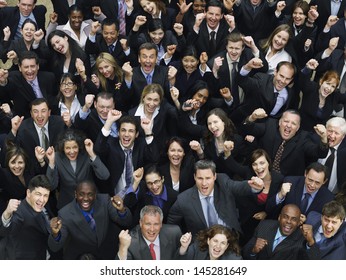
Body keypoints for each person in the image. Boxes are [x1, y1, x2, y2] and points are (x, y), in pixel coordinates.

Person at [167, 159, 265, 238]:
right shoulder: (184, 199)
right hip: (202, 246)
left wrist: (254, 187)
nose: (204, 183)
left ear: (214, 176)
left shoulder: (223, 183)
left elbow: (238, 187)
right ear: (194, 177)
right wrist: (183, 239)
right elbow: (172, 221)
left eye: (208, 178)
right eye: (200, 178)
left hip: (229, 240)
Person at [48, 180, 132, 260]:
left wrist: (121, 210)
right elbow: (54, 247)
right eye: (81, 194)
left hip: (107, 255)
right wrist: (55, 234)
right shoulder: (64, 214)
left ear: (95, 195)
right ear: (75, 194)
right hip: (82, 258)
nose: (85, 198)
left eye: (90, 194)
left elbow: (126, 222)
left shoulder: (104, 200)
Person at [243, 108, 329, 176]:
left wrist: (324, 138)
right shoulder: (270, 125)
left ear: (298, 128)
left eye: (293, 123)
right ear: (280, 122)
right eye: (286, 121)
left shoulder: (303, 138)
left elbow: (320, 153)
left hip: (284, 184)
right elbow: (248, 128)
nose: (288, 125)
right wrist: (252, 117)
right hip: (259, 175)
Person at [94, 114, 159, 197]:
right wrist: (109, 122)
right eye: (123, 130)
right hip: (112, 196)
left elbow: (154, 158)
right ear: (118, 132)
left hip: (135, 196)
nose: (126, 134)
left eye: (131, 131)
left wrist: (148, 131)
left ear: (136, 134)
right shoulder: (111, 144)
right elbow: (98, 149)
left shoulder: (141, 144)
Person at [45, 129, 110, 210]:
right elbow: (51, 186)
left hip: (91, 202)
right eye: (68, 148)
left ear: (79, 146)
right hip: (68, 205)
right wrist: (51, 162)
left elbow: (104, 175)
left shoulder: (86, 154)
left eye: (75, 147)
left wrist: (92, 154)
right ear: (63, 148)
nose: (72, 151)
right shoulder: (57, 157)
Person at [235, 149, 284, 245]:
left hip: (268, 224)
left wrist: (266, 213)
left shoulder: (279, 179)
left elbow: (279, 205)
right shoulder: (249, 178)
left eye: (262, 163)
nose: (258, 167)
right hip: (248, 223)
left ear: (268, 163)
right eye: (254, 164)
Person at [0, 175, 53, 259]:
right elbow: (6, 230)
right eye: (38, 194)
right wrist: (7, 213)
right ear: (28, 193)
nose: (42, 200)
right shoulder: (19, 213)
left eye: (45, 195)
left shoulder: (39, 207)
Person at [242, 204, 319, 260]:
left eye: (294, 219)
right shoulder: (264, 225)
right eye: (285, 217)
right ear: (279, 217)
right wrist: (254, 250)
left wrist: (311, 241)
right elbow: (244, 253)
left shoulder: (302, 239)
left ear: (299, 223)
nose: (288, 221)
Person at [6, 98, 66, 167]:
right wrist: (14, 130)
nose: (39, 115)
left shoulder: (60, 123)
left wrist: (69, 124)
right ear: (31, 114)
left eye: (43, 111)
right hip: (34, 170)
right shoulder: (23, 128)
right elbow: (9, 151)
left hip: (58, 166)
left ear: (49, 112)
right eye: (35, 111)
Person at [189, 108, 249, 178]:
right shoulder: (207, 139)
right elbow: (205, 163)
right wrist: (199, 150)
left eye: (215, 122)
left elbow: (241, 170)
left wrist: (227, 154)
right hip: (213, 180)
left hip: (232, 182)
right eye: (209, 123)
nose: (212, 126)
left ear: (224, 122)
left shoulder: (237, 140)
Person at [0, 51, 57, 118]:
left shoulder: (49, 78)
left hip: (50, 118)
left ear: (38, 66)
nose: (30, 70)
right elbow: (5, 93)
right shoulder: (14, 78)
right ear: (20, 68)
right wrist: (3, 82)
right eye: (26, 67)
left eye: (32, 66)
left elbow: (56, 99)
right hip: (26, 122)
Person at [267, 162, 335, 219]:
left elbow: (322, 221)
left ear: (324, 181)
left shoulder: (328, 198)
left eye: (317, 183)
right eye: (310, 180)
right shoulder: (290, 182)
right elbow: (269, 208)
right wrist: (280, 195)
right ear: (305, 174)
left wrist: (307, 221)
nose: (312, 185)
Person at [117, 205, 182, 260]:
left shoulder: (174, 233)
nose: (152, 229)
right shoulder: (130, 242)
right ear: (140, 223)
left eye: (156, 224)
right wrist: (123, 248)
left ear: (161, 224)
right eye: (148, 224)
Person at [122, 42, 175, 107]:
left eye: (151, 57)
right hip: (138, 110)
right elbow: (125, 100)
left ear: (156, 59)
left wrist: (172, 81)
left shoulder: (165, 72)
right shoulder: (130, 73)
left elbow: (170, 98)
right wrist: (128, 78)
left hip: (160, 110)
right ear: (139, 58)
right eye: (144, 57)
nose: (148, 60)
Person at [299, 59, 346, 132]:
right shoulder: (312, 88)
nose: (329, 88)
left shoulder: (334, 96)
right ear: (321, 82)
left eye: (333, 86)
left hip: (318, 135)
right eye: (328, 83)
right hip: (301, 130)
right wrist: (307, 68)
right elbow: (302, 80)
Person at [128, 83, 178, 151]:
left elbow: (177, 116)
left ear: (160, 101)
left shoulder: (164, 112)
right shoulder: (132, 114)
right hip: (140, 155)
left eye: (155, 100)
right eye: (149, 99)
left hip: (161, 154)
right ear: (143, 98)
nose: (152, 104)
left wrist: (176, 101)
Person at [318, 117, 346, 194]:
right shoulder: (316, 144)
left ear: (343, 136)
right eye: (330, 131)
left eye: (336, 133)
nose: (332, 136)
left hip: (335, 196)